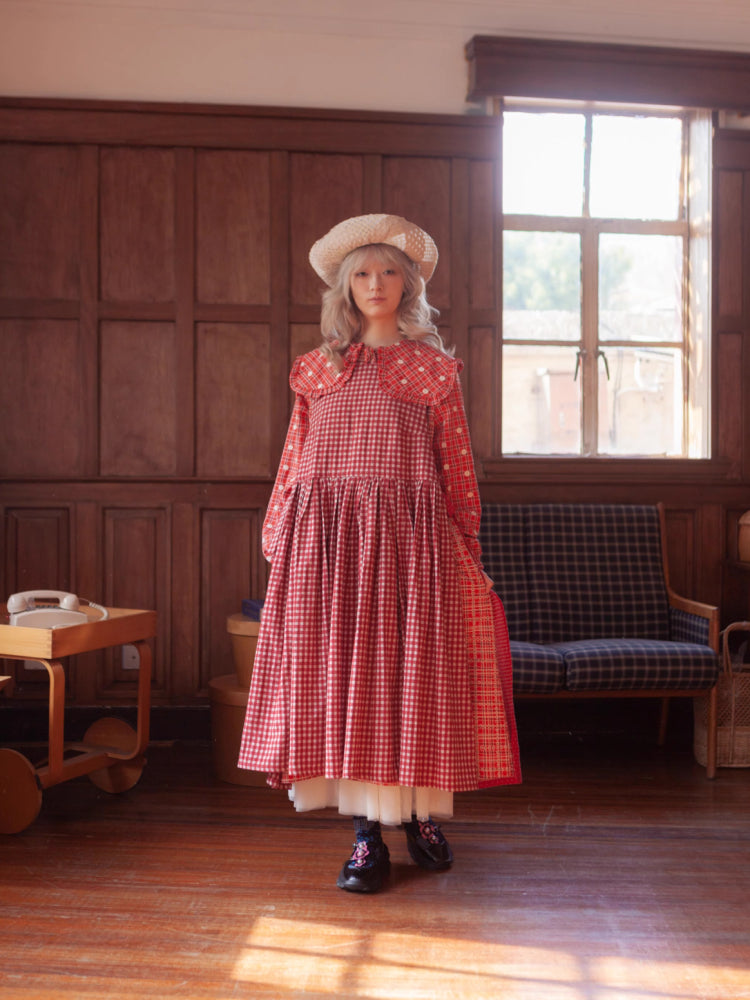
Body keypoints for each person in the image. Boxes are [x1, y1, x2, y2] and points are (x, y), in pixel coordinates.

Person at [238, 214, 520, 893]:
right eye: (362, 273)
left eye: (388, 271)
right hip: (330, 544)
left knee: (411, 678)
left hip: (412, 545)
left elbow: (456, 462)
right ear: (345, 285)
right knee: (347, 679)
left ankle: (419, 815)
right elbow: (294, 458)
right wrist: (278, 532)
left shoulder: (433, 370)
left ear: (409, 283)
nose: (375, 284)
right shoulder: (318, 370)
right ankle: (366, 835)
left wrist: (466, 537)